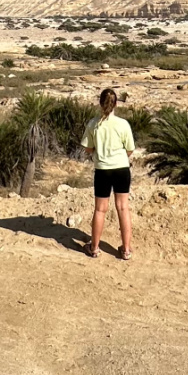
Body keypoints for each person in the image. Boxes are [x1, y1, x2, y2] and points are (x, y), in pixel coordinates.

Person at [81, 87, 137, 260]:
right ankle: (126, 249)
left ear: (100, 103)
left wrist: (99, 152)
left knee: (100, 209)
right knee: (123, 207)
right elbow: (130, 149)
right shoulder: (123, 124)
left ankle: (94, 247)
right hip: (121, 168)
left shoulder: (93, 124)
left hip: (103, 170)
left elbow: (88, 148)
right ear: (116, 104)